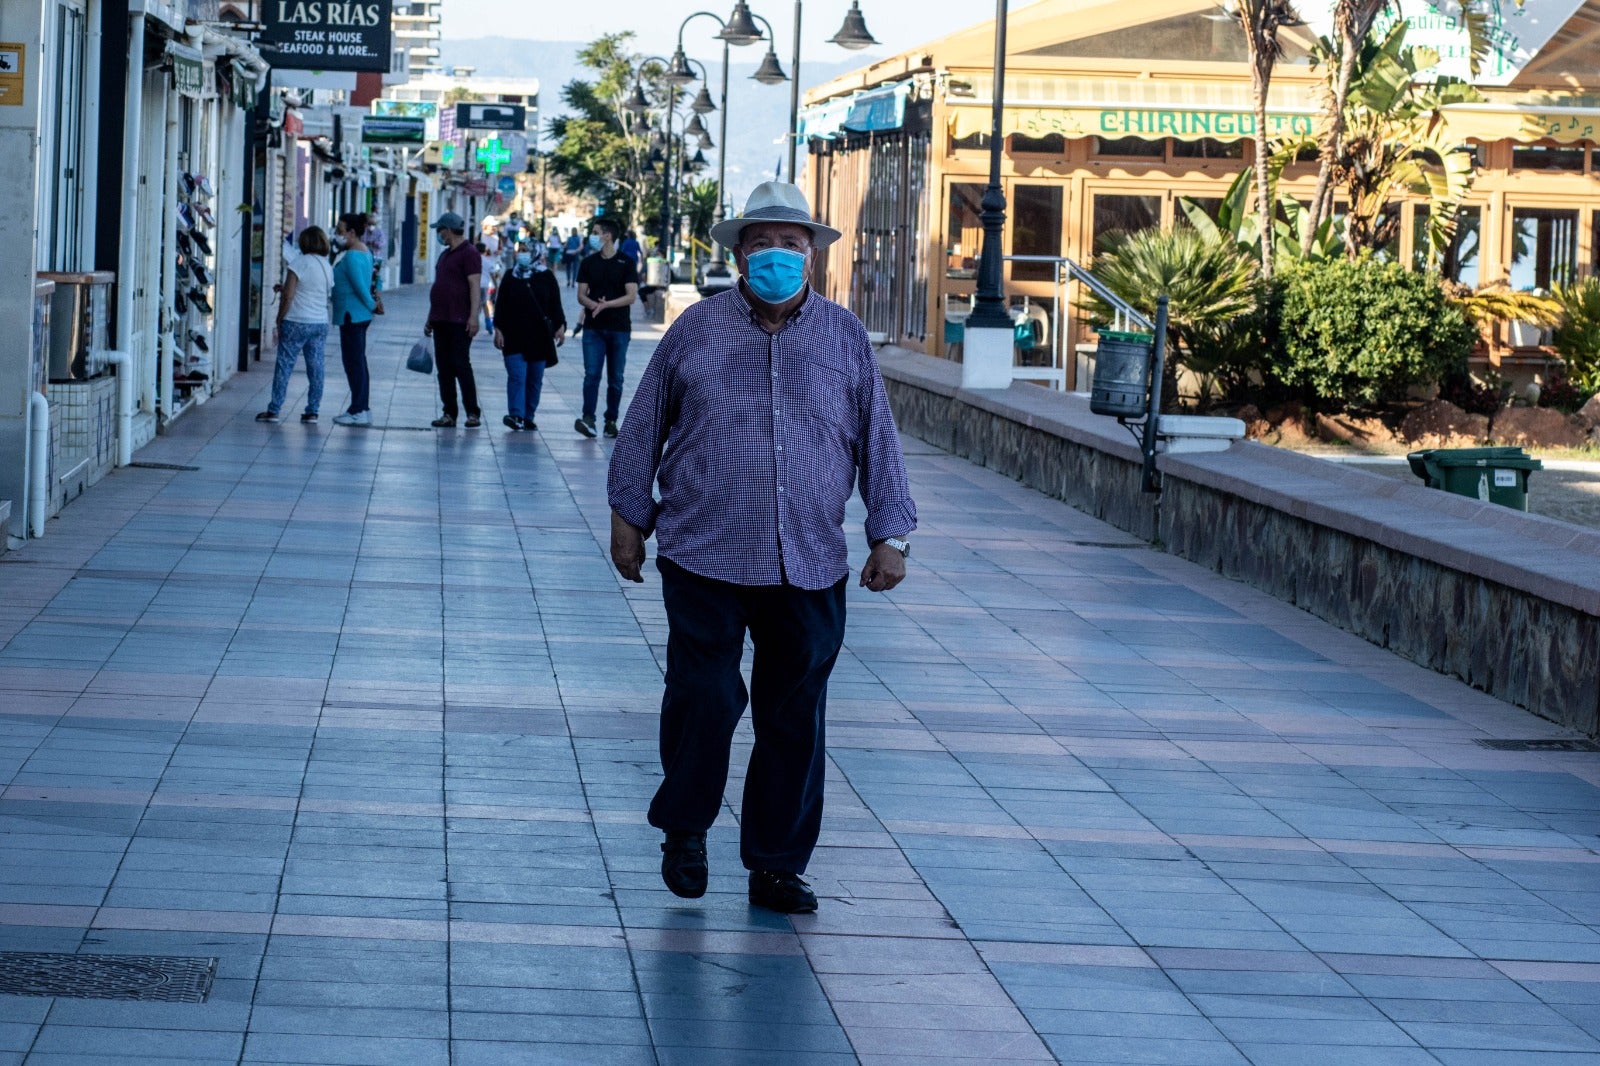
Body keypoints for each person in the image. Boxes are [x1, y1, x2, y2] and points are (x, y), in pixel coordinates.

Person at [606, 181, 917, 915]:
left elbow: (879, 439)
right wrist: (628, 515)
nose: (777, 254)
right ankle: (685, 828)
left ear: (811, 253)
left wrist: (890, 535)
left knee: (792, 716)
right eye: (762, 243)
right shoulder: (697, 329)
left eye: (792, 242)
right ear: (739, 253)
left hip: (808, 561)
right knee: (706, 696)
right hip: (704, 549)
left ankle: (776, 865)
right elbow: (644, 422)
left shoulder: (843, 336)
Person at [257, 226, 334, 424]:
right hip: (319, 323)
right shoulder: (326, 266)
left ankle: (274, 409)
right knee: (316, 367)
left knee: (284, 365)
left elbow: (289, 295)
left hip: (297, 321)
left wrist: (279, 318)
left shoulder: (298, 262)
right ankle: (312, 411)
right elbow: (313, 291)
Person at [575, 217, 639, 438]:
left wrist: (606, 305)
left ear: (608, 235)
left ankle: (611, 420)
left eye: (595, 232)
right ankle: (588, 418)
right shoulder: (588, 263)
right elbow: (581, 295)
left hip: (619, 328)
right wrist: (593, 305)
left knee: (616, 377)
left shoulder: (626, 263)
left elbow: (631, 296)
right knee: (591, 374)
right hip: (593, 328)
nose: (592, 236)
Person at [493, 242, 565, 431]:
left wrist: (560, 327)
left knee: (534, 380)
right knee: (517, 376)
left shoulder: (546, 276)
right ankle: (516, 414)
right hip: (513, 335)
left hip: (539, 337)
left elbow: (555, 305)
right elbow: (500, 305)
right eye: (520, 250)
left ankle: (528, 416)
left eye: (525, 251)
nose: (521, 254)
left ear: (535, 253)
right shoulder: (510, 276)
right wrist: (498, 329)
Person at [425, 211, 484, 428]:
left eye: (440, 230)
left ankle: (472, 412)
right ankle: (449, 412)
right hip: (441, 318)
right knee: (444, 368)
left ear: (448, 230)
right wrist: (430, 317)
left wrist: (473, 317)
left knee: (461, 364)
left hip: (460, 320)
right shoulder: (445, 255)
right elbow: (439, 287)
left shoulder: (469, 253)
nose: (439, 234)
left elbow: (474, 286)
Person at [329, 214, 380, 427]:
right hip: (357, 314)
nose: (337, 235)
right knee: (358, 362)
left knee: (354, 363)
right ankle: (361, 408)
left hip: (353, 314)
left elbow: (360, 286)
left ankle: (358, 409)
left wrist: (372, 305)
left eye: (341, 231)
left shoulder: (351, 256)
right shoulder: (364, 252)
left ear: (351, 233)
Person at [474, 240, 496, 331]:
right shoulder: (488, 261)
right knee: (484, 304)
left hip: (475, 285)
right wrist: (496, 285)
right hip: (485, 285)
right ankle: (488, 323)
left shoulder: (473, 260)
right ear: (485, 251)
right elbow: (493, 275)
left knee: (475, 304)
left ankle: (475, 322)